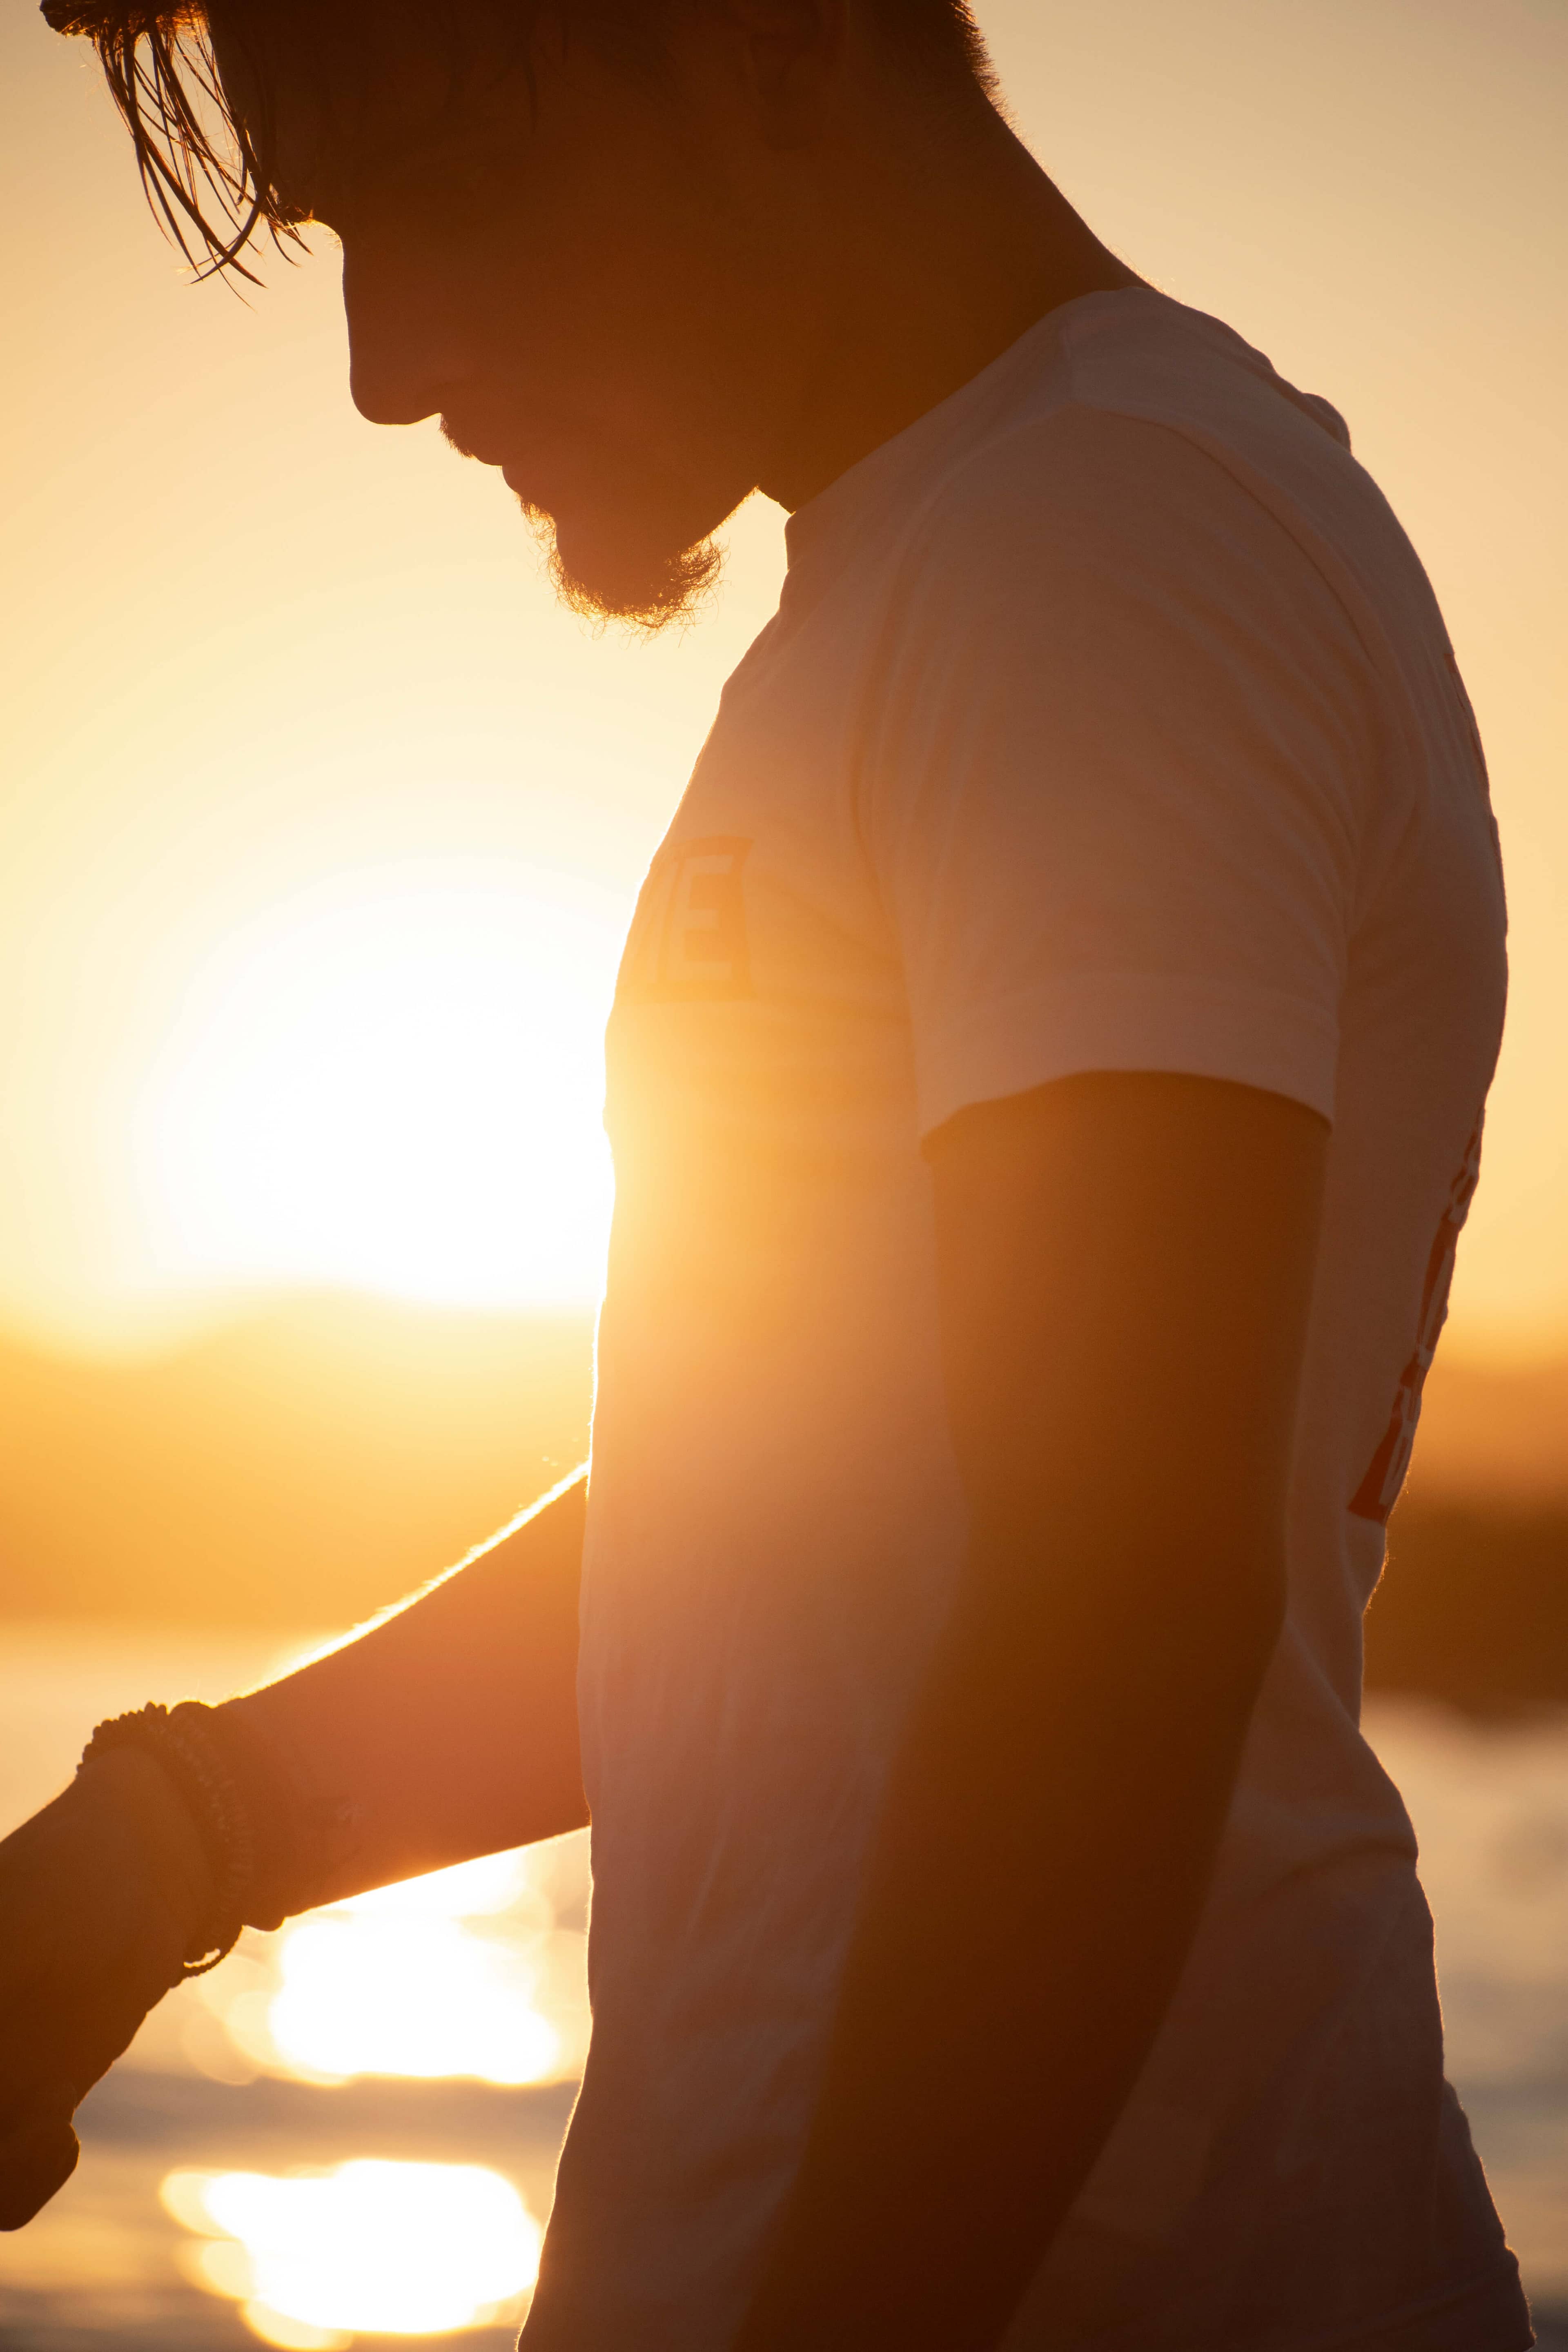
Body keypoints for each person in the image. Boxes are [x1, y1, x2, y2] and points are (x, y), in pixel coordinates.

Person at [0, 3, 1531, 2347]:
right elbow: (815, 1511)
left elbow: (1109, 1611)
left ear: (771, 40)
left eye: (434, 193)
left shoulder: (1102, 543)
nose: (383, 368)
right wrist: (174, 1844)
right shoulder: (970, 557)